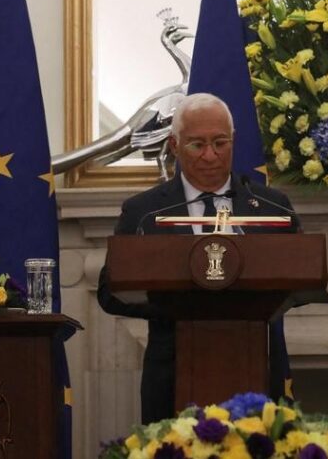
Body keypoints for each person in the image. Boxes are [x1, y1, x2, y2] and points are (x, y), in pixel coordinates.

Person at [97, 93, 300, 423]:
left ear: (233, 141)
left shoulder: (271, 207)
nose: (210, 155)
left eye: (220, 143)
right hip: (172, 374)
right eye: (197, 145)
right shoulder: (144, 211)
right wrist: (179, 302)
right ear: (174, 146)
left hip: (258, 367)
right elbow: (109, 293)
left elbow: (299, 277)